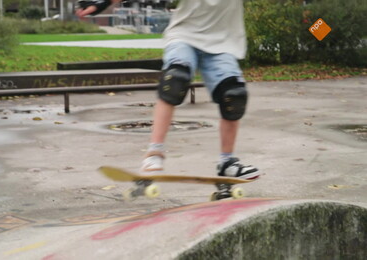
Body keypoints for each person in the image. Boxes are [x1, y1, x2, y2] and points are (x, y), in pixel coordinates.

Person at [76, 0, 259, 181]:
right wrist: (102, 2)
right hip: (184, 37)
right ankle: (154, 153)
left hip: (222, 45)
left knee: (234, 96)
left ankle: (227, 162)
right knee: (174, 81)